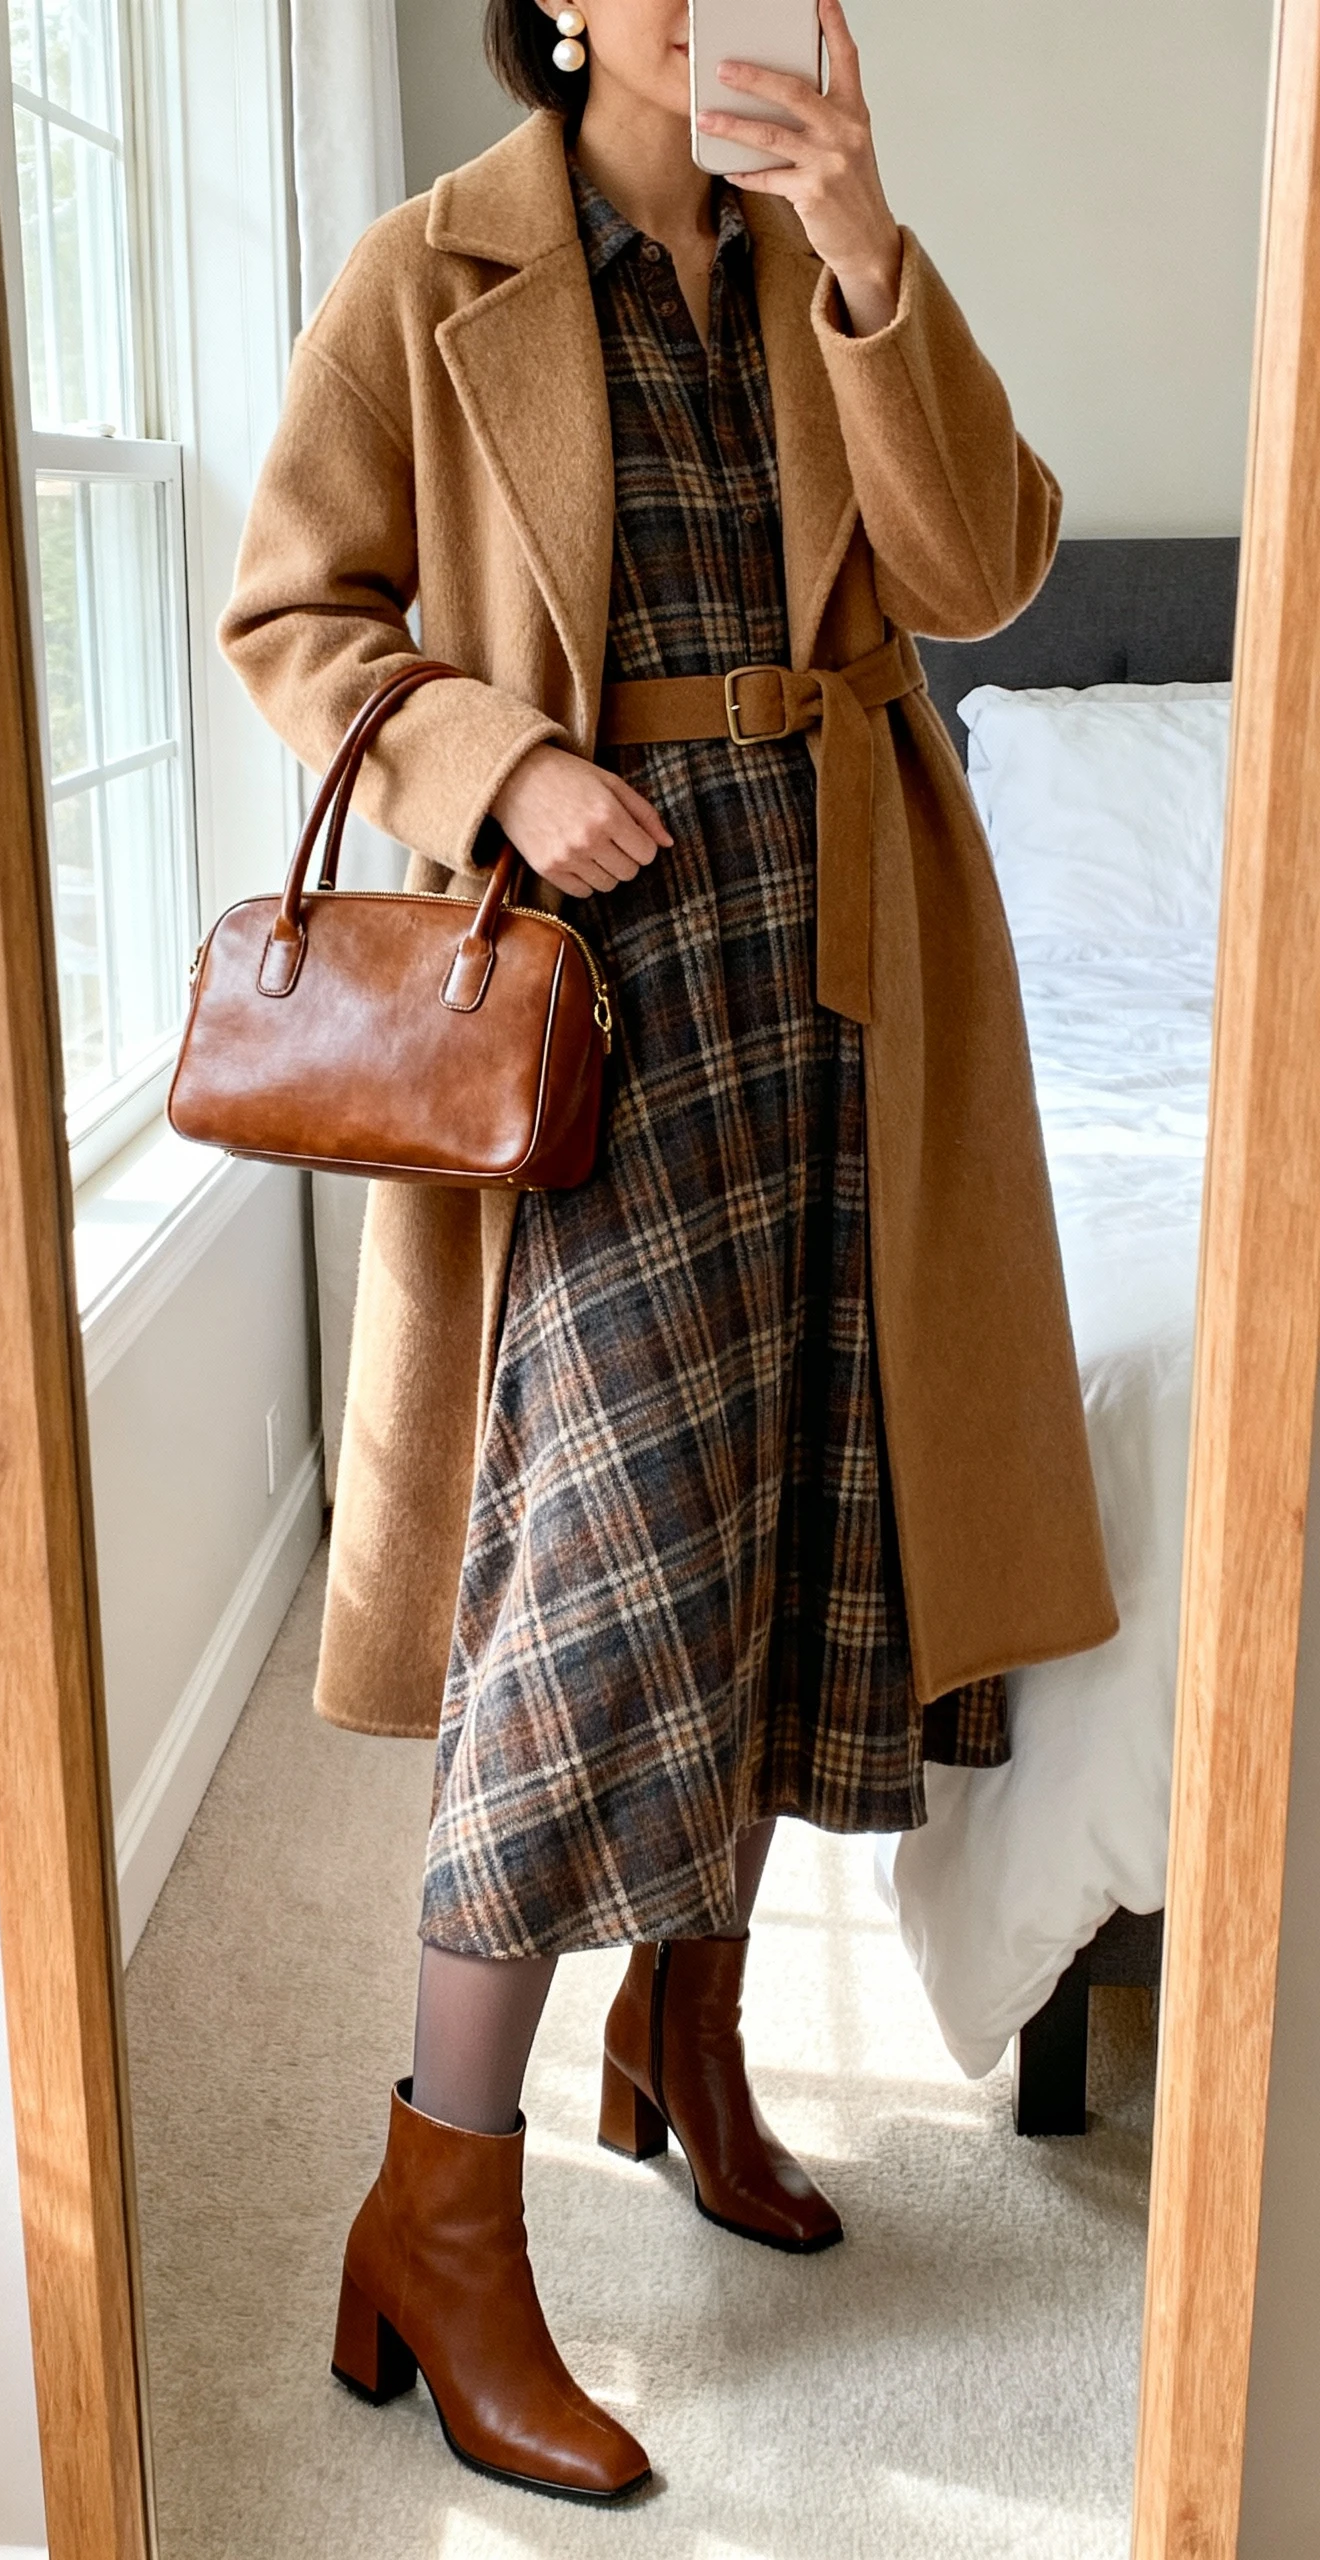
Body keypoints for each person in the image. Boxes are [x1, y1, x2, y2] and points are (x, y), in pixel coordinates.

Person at [219, 0, 1115, 2504]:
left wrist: (862, 254)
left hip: (844, 971)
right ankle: (440, 2202)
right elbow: (295, 613)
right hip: (583, 1008)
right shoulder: (435, 273)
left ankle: (684, 2043)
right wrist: (494, 757)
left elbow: (984, 568)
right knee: (594, 1598)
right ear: (573, 7)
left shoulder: (842, 262)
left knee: (789, 1538)